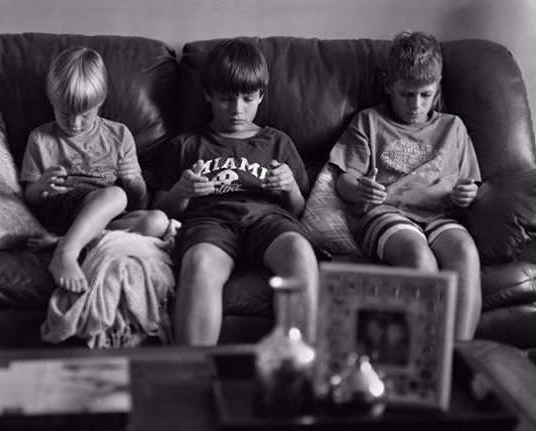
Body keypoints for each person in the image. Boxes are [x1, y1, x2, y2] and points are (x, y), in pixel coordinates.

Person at [154, 38, 319, 346]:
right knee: (199, 261)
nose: (237, 110)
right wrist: (182, 191)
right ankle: (193, 369)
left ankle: (298, 366)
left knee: (299, 250)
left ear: (261, 95)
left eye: (247, 98)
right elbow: (161, 211)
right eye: (226, 99)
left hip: (268, 220)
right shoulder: (186, 145)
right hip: (209, 222)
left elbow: (299, 211)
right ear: (208, 94)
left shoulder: (278, 142)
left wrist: (290, 187)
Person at [331, 31, 482, 341]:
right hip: (386, 213)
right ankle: (427, 355)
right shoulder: (368, 122)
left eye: (425, 95)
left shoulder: (453, 127)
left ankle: (459, 353)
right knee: (418, 255)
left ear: (438, 86)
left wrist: (468, 193)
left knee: (465, 252)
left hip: (440, 215)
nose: (416, 105)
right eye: (406, 94)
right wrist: (360, 189)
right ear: (388, 85)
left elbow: (471, 184)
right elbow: (343, 180)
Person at [21, 46, 170, 293]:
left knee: (157, 221)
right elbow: (30, 198)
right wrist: (40, 187)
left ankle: (63, 241)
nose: (75, 124)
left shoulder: (119, 135)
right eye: (65, 114)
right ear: (52, 100)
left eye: (85, 115)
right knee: (116, 195)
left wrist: (132, 180)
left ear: (100, 103)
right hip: (63, 206)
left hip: (106, 213)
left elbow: (139, 200)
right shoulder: (40, 139)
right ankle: (66, 254)